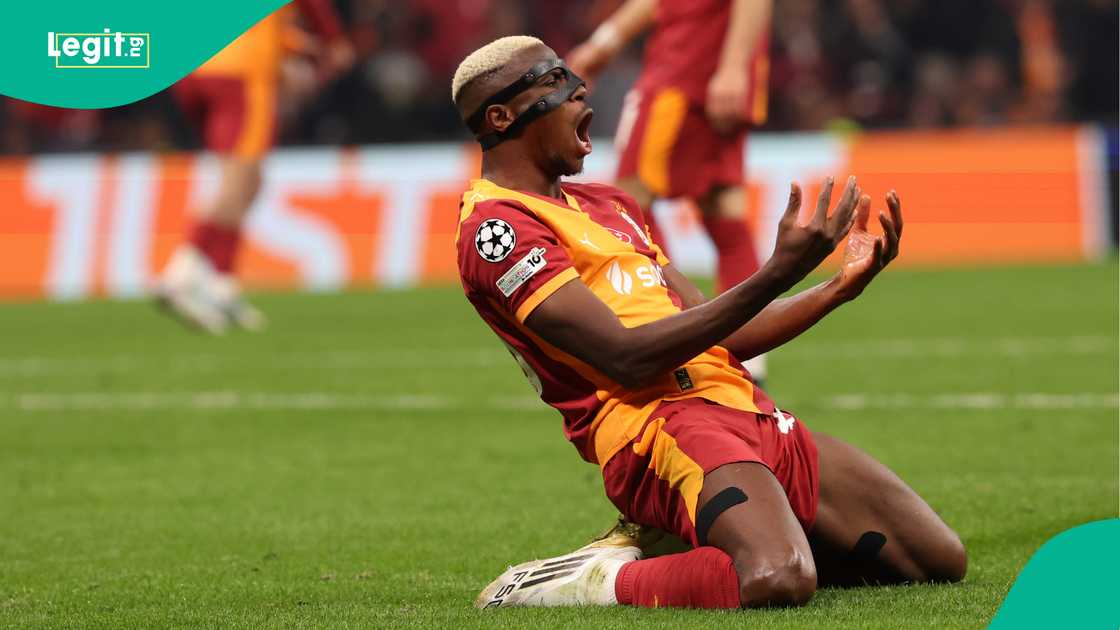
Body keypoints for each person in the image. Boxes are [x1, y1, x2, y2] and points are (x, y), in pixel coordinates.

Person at [451, 36, 965, 610]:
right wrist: (776, 271)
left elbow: (723, 334)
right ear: (500, 116)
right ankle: (590, 581)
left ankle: (705, 534)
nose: (577, 89)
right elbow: (625, 357)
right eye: (551, 80)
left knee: (935, 560)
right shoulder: (497, 231)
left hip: (742, 407)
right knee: (777, 577)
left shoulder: (611, 204)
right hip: (655, 426)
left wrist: (837, 288)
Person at [568, 0, 773, 381]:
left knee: (630, 205)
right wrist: (604, 43)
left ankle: (678, 334)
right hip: (704, 68)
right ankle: (749, 355)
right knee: (722, 207)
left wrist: (733, 67)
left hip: (685, 72)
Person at [155, 0, 353, 333]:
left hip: (193, 70)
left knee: (249, 180)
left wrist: (291, 46)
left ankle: (221, 285)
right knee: (238, 182)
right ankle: (180, 274)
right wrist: (333, 40)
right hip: (240, 71)